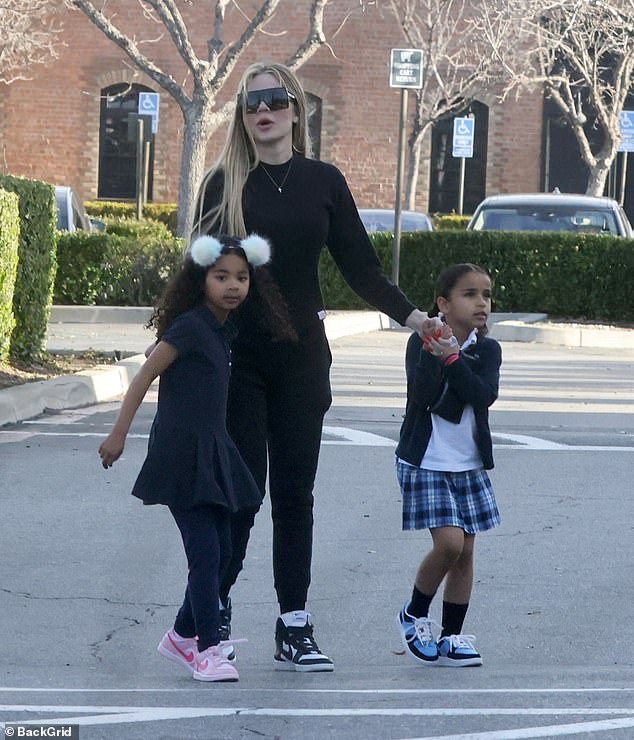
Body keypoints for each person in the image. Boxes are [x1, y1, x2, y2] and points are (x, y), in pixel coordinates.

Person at [191, 61, 430, 672]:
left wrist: (416, 319)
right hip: (238, 360)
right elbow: (201, 274)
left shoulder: (324, 180)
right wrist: (178, 344)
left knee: (295, 496)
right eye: (251, 103)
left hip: (302, 360)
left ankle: (293, 623)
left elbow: (361, 267)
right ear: (243, 117)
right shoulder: (223, 184)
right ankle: (210, 615)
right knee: (242, 494)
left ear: (297, 110)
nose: (263, 111)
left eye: (275, 100)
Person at [98, 234, 281, 682]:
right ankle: (207, 649)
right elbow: (144, 376)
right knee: (205, 554)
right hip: (183, 452)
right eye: (222, 277)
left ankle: (181, 637)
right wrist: (119, 434)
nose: (233, 285)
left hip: (212, 447)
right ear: (201, 280)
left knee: (221, 553)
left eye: (241, 277)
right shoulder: (192, 326)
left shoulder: (220, 329)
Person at [395, 263, 502, 667]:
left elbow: (483, 394)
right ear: (443, 302)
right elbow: (422, 396)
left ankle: (452, 636)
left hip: (468, 464)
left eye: (486, 295)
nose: (481, 303)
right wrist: (436, 354)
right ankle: (414, 614)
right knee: (449, 543)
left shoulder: (487, 350)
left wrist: (454, 360)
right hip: (426, 461)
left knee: (467, 550)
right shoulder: (420, 343)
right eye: (470, 294)